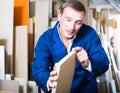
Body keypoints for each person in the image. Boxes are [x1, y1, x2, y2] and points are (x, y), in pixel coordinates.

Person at [32, 0, 109, 93]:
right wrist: (48, 82)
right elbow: (38, 68)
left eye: (78, 22)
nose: (72, 27)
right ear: (59, 16)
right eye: (68, 20)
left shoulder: (90, 34)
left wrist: (88, 63)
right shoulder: (46, 39)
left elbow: (103, 62)